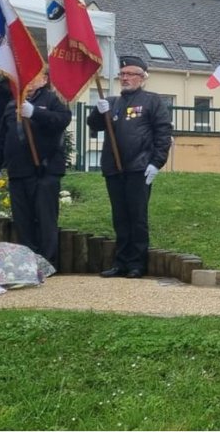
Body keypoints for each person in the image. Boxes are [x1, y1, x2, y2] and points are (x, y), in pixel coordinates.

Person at [87, 56, 174, 279]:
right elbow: (94, 126)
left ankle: (137, 263)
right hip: (114, 168)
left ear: (142, 78)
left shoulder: (152, 101)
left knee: (137, 217)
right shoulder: (113, 102)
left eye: (130, 74)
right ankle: (121, 262)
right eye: (122, 74)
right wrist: (98, 111)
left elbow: (163, 134)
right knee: (120, 217)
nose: (125, 78)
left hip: (139, 168)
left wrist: (156, 163)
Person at [0, 70, 72, 266]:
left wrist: (36, 113)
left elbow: (62, 120)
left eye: (34, 75)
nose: (29, 80)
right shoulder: (12, 103)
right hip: (19, 170)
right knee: (22, 220)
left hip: (44, 169)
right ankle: (28, 261)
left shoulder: (52, 100)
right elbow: (1, 137)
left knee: (45, 218)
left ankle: (46, 261)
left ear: (43, 80)